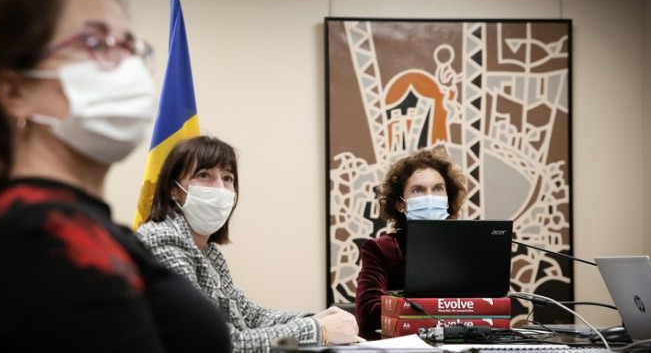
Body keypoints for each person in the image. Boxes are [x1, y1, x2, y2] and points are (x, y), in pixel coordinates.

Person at [0, 0, 230, 351]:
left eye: (130, 47)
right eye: (96, 43)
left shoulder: (94, 228)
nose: (128, 66)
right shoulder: (36, 236)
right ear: (15, 92)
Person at [136, 135, 359, 352]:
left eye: (227, 178)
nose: (220, 189)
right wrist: (318, 330)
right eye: (204, 175)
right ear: (173, 189)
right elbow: (218, 342)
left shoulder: (208, 251)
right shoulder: (163, 240)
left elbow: (251, 316)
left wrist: (315, 318)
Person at [355, 147, 467, 339]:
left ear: (448, 199)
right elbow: (368, 314)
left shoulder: (467, 246)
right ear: (400, 204)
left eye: (438, 188)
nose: (430, 197)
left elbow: (490, 303)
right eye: (418, 190)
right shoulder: (381, 248)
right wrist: (442, 309)